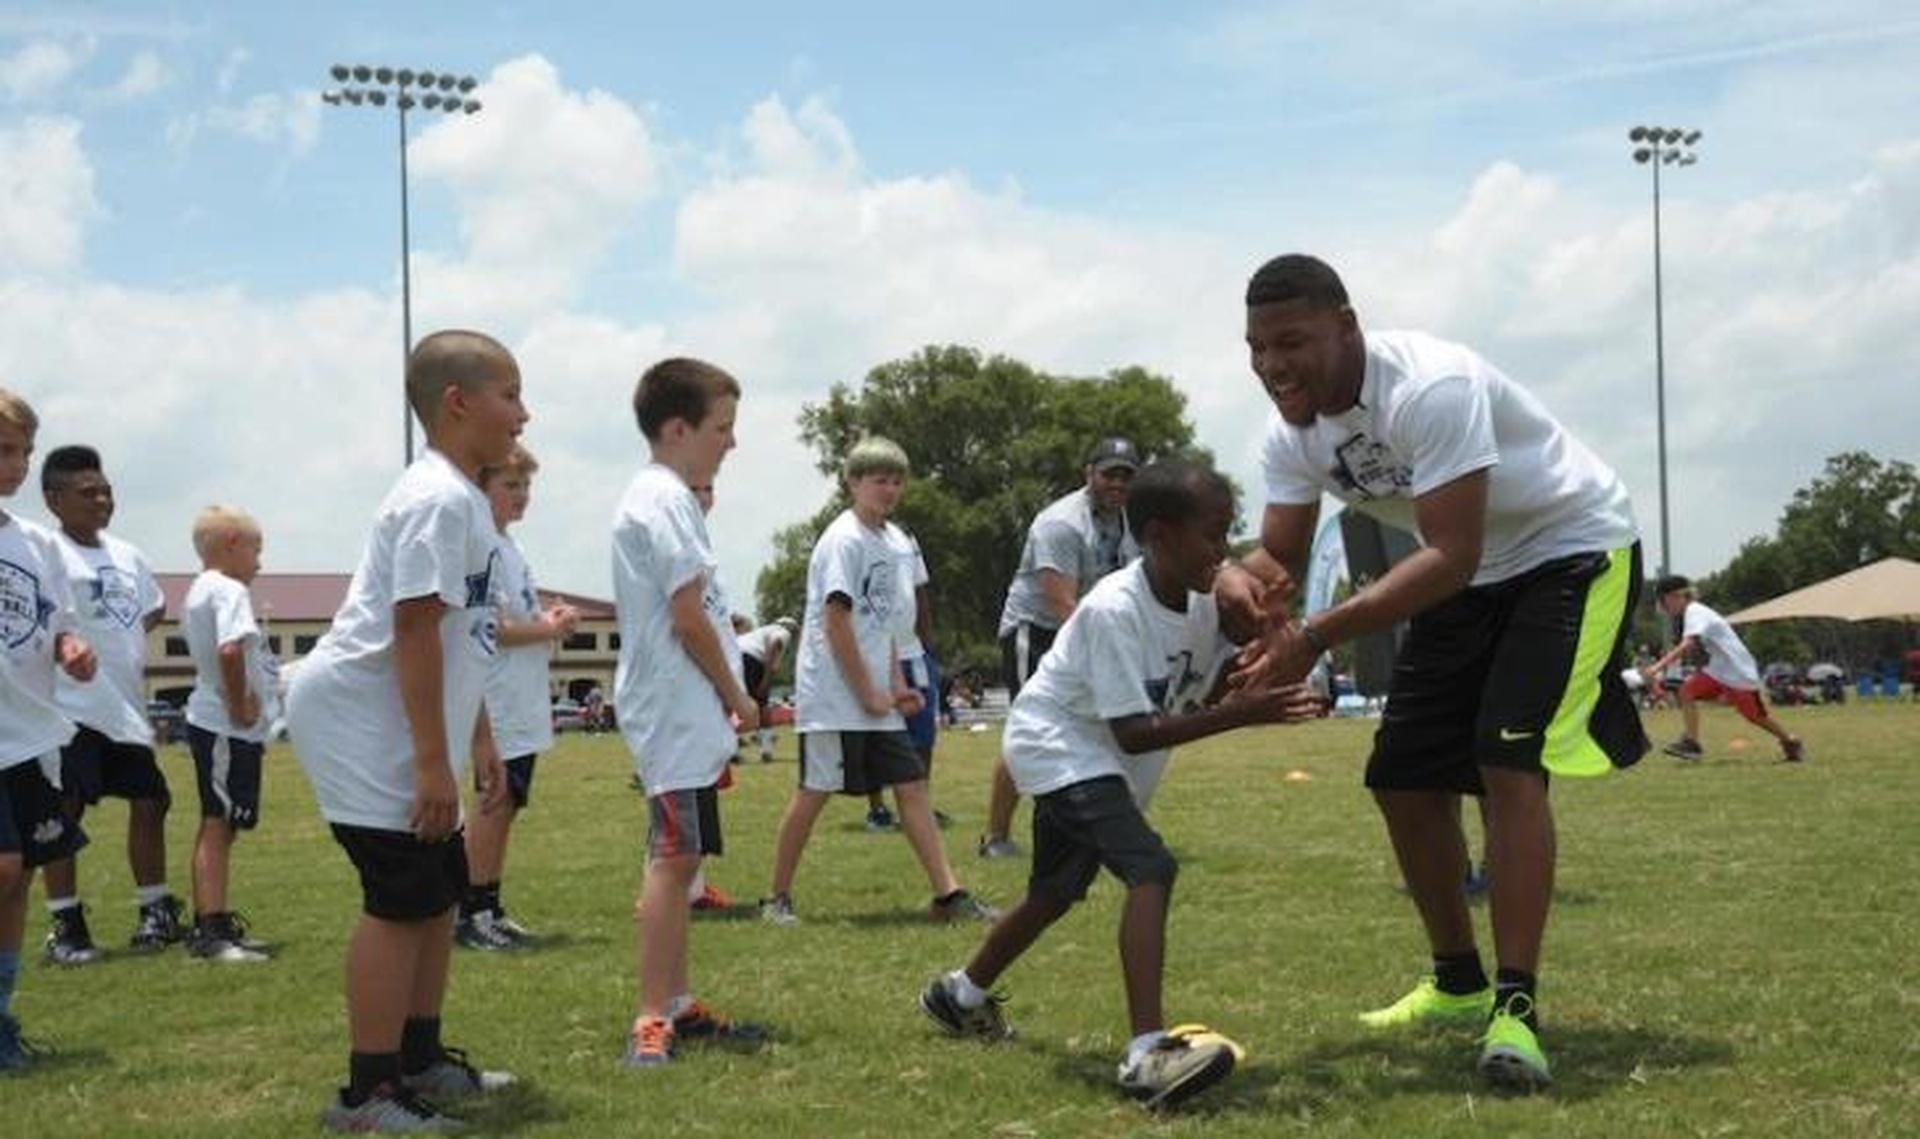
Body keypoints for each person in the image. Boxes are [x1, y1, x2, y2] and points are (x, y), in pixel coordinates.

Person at [1226, 254, 1648, 1092]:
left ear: (1347, 325)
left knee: (1506, 763)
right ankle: (1457, 980)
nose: (1272, 366)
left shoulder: (1430, 388)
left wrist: (1313, 634)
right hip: (1472, 571)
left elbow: (1450, 554)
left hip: (1569, 551)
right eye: (1256, 346)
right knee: (1403, 778)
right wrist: (1234, 577)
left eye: (1292, 341)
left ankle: (1516, 1009)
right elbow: (1280, 555)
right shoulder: (1294, 433)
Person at [919, 461, 1321, 1109]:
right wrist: (1247, 711)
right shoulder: (1114, 608)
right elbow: (1136, 731)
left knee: (1053, 892)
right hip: (1060, 747)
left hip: (1100, 759)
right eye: (1213, 536)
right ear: (1160, 534)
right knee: (1151, 868)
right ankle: (1145, 1053)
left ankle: (960, 992)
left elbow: (1205, 691)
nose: (1223, 554)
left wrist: (1258, 646)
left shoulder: (1201, 602)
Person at [287, 330, 522, 1131]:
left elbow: (464, 635)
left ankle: (418, 1059)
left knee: (436, 893)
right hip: (362, 717)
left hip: (403, 720)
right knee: (398, 896)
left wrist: (477, 738)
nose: (524, 414)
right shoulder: (436, 499)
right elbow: (414, 628)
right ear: (458, 403)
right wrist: (432, 763)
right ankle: (367, 1094)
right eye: (510, 394)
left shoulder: (465, 500)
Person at [760, 437, 996, 926]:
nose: (888, 489)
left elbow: (886, 625)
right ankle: (776, 899)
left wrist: (893, 685)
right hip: (833, 694)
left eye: (896, 480)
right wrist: (867, 692)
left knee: (911, 786)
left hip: (875, 693)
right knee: (815, 791)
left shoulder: (895, 542)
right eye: (877, 480)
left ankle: (948, 895)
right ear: (853, 483)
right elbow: (836, 622)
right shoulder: (844, 540)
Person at [611, 357, 768, 1068]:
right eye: (721, 427)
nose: (731, 443)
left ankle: (677, 1001)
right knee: (673, 859)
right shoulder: (665, 498)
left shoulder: (669, 496)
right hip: (673, 709)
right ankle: (652, 1014)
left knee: (685, 854)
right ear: (678, 428)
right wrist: (739, 697)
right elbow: (687, 617)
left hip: (685, 707)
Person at [40, 445, 183, 963]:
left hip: (122, 709)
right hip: (68, 708)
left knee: (151, 801)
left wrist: (114, 640)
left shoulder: (128, 554)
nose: (101, 500)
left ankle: (155, 910)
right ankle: (66, 924)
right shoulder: (47, 553)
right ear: (53, 500)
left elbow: (152, 608)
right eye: (87, 493)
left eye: (106, 491)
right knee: (64, 811)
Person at [980, 437, 1141, 859]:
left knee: (1095, 729)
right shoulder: (1062, 524)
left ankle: (1089, 829)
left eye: (1126, 475)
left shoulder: (1132, 521)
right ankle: (995, 836)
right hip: (1037, 629)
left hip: (1087, 628)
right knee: (1028, 729)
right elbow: (1059, 599)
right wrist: (1107, 651)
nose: (1117, 484)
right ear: (1089, 473)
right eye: (1110, 474)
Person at [0, 387, 96, 1071]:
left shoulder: (34, 543)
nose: (18, 463)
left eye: (24, 451)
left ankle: (1, 1018)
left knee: (17, 877)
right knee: (1, 864)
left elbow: (57, 623)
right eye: (6, 450)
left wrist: (72, 650)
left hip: (27, 734)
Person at [456, 444, 579, 951]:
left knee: (509, 804)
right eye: (510, 486)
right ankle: (470, 911)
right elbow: (490, 626)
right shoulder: (480, 546)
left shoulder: (511, 548)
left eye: (526, 486)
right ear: (481, 491)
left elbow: (517, 618)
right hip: (498, 698)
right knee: (493, 801)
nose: (521, 495)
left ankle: (489, 904)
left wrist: (548, 621)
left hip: (522, 698)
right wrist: (547, 627)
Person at [182, 504, 279, 962]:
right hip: (223, 725)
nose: (260, 561)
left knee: (220, 824)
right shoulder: (228, 590)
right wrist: (240, 702)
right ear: (233, 545)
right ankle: (212, 929)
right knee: (217, 825)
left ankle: (214, 921)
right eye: (257, 549)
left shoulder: (201, 589)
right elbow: (229, 648)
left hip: (222, 726)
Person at [1643, 576, 1805, 763]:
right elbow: (1696, 645)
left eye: (1663, 601)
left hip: (1738, 672)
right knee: (1686, 691)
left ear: (1675, 596)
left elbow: (1688, 644)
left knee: (1755, 717)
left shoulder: (1694, 611)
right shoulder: (1693, 612)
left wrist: (1657, 667)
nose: (1663, 607)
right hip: (1719, 670)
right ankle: (1692, 743)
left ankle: (1790, 740)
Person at [735, 616, 797, 764]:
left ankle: (732, 750)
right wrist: (765, 680)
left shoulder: (759, 632)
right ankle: (766, 751)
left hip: (735, 656)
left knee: (733, 703)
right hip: (751, 659)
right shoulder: (783, 631)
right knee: (762, 706)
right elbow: (774, 644)